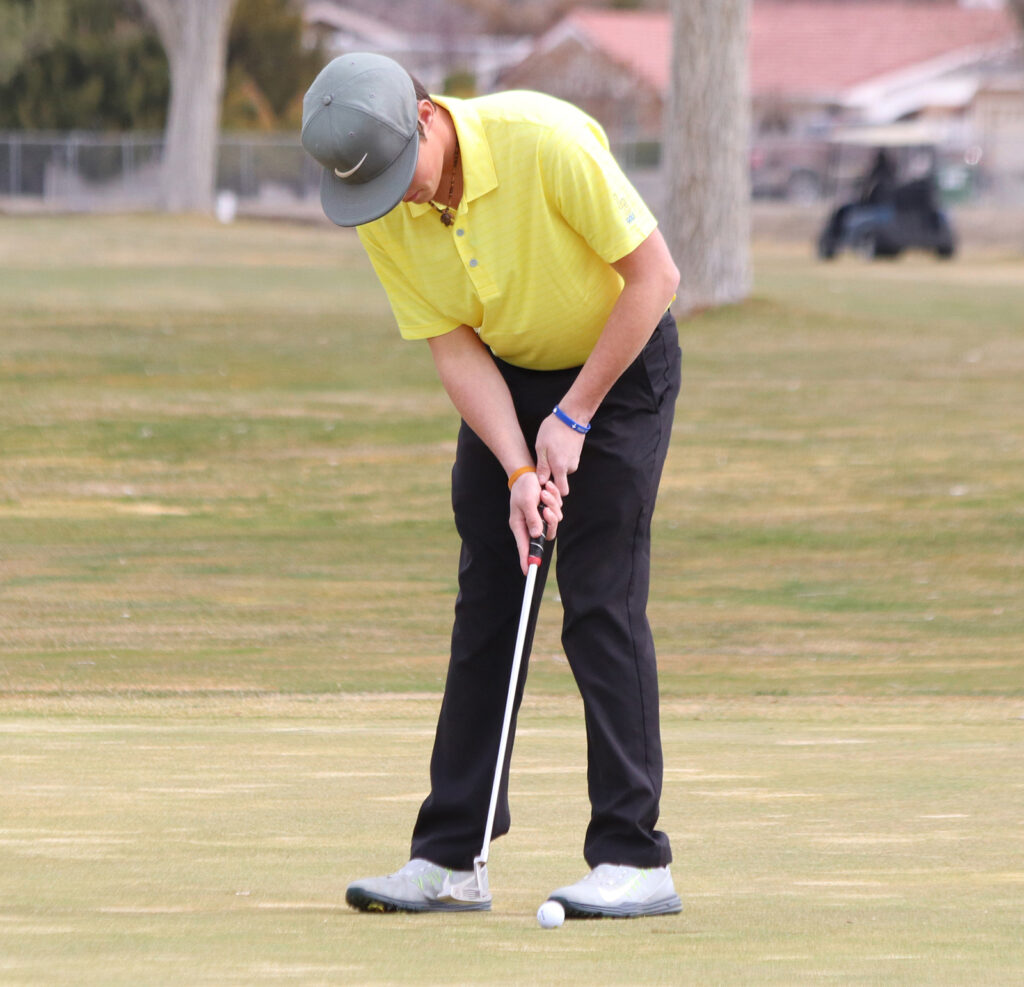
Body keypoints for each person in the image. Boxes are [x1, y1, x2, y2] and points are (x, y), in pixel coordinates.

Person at [301, 52, 683, 919]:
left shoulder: (544, 140)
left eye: (402, 174)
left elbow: (656, 278)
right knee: (489, 602)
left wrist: (575, 415)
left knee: (599, 597)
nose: (398, 199)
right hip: (506, 374)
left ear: (426, 117)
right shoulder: (381, 202)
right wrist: (516, 466)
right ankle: (451, 856)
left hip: (619, 363)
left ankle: (634, 856)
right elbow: (452, 343)